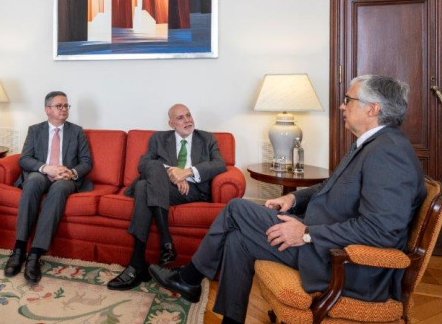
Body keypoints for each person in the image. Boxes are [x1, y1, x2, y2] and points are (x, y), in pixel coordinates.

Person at [148, 75, 426, 324]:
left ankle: (190, 278)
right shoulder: (371, 145)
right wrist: (293, 198)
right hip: (325, 245)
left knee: (236, 208)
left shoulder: (388, 153)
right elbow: (332, 188)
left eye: (348, 100)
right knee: (238, 239)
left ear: (372, 108)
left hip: (347, 266)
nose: (342, 106)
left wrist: (305, 233)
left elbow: (381, 231)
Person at [107, 104, 226, 291]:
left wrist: (186, 172)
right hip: (163, 187)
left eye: (188, 115)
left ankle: (137, 265)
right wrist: (172, 172)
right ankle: (165, 242)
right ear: (171, 123)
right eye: (180, 118)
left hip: (192, 191)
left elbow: (220, 165)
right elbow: (143, 164)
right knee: (148, 176)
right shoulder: (159, 138)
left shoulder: (207, 138)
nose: (187, 120)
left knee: (143, 186)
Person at [3, 91, 93, 283]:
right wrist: (46, 168)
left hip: (65, 177)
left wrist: (72, 172)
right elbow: (25, 159)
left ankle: (35, 255)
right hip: (42, 173)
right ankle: (18, 250)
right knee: (33, 180)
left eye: (66, 106)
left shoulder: (77, 131)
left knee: (60, 188)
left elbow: (86, 162)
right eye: (59, 106)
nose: (64, 109)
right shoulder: (35, 130)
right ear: (47, 109)